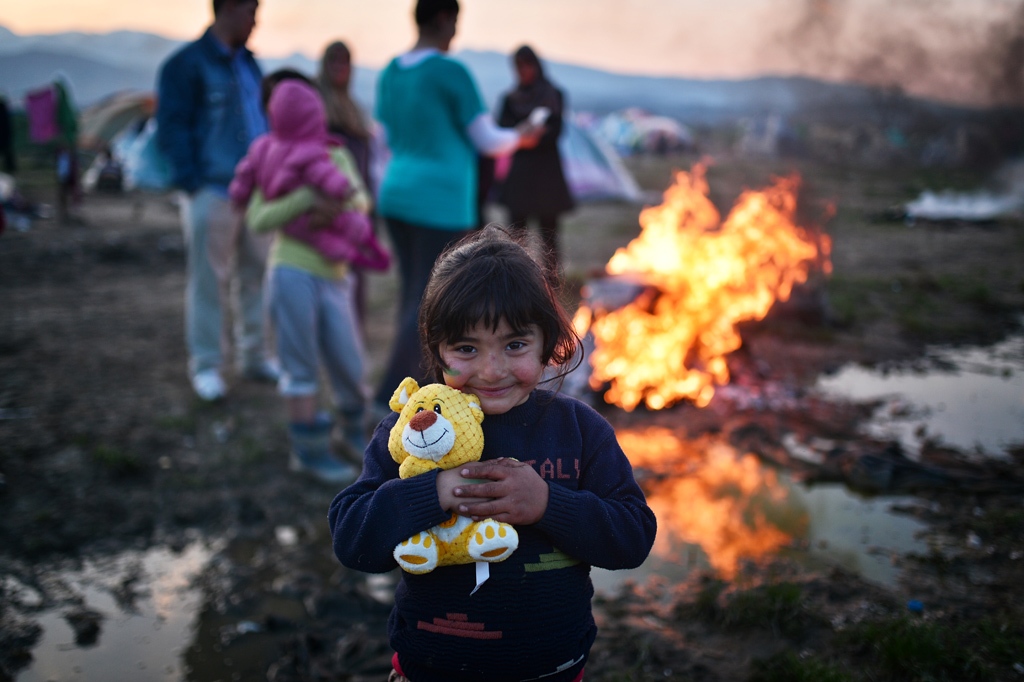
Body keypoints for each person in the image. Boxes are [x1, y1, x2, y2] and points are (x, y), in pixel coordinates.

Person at [329, 226, 657, 682]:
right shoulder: (411, 432)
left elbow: (633, 537)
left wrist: (547, 504)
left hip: (552, 672)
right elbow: (352, 539)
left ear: (550, 344)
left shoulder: (580, 431)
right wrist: (435, 491)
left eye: (515, 344)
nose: (492, 369)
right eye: (466, 348)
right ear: (437, 351)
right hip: (430, 671)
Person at [370, 0, 545, 419]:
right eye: (456, 23)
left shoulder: (391, 70)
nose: (456, 33)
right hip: (440, 201)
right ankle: (395, 401)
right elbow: (487, 140)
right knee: (430, 302)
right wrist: (522, 134)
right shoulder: (451, 72)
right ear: (445, 19)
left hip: (397, 194)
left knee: (413, 293)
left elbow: (383, 137)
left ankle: (413, 390)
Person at [238, 70, 373, 483]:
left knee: (350, 363)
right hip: (292, 272)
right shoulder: (273, 156)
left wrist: (340, 209)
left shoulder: (336, 154)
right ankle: (309, 453)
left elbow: (362, 201)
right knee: (300, 365)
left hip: (336, 276)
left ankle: (353, 434)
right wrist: (305, 198)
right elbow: (259, 217)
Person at [156, 0, 277, 402]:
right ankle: (207, 366)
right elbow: (171, 128)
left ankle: (253, 356)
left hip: (256, 191)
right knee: (209, 279)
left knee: (256, 274)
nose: (256, 19)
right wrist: (191, 183)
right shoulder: (186, 65)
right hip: (213, 189)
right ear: (226, 7)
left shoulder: (250, 64)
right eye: (250, 9)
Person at [228, 79, 389, 270]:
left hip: (332, 274)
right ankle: (367, 255)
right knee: (336, 237)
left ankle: (365, 254)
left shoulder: (264, 151)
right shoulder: (290, 152)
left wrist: (238, 193)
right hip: (291, 265)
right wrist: (311, 198)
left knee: (337, 237)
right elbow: (257, 220)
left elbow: (362, 201)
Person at [497, 45, 575, 277]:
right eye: (518, 66)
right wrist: (522, 135)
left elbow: (555, 132)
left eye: (526, 65)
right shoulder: (510, 99)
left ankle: (551, 285)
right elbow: (503, 131)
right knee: (516, 235)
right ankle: (518, 280)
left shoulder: (553, 96)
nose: (523, 71)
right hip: (520, 174)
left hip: (546, 174)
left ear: (536, 65)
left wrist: (533, 136)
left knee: (548, 236)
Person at [318, 40, 378, 324]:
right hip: (328, 205)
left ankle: (354, 335)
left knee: (356, 277)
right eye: (334, 61)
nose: (340, 68)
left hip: (358, 201)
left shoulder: (355, 107)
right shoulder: (317, 107)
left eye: (345, 62)